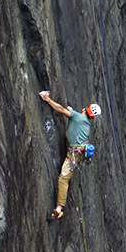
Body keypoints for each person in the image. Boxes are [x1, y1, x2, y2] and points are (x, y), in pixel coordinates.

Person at [39, 90, 101, 220]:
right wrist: (72, 112)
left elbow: (61, 110)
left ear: (87, 109)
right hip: (78, 152)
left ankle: (58, 209)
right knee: (67, 135)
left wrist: (47, 99)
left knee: (63, 179)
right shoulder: (85, 124)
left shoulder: (78, 117)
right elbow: (75, 125)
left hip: (74, 154)